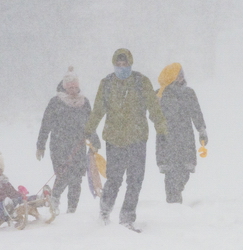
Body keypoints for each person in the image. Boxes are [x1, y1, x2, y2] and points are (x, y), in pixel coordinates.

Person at [84, 48, 167, 231]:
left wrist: (161, 127)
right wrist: (88, 129)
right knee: (114, 180)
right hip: (115, 140)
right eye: (118, 65)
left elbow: (154, 108)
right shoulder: (106, 84)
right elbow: (98, 110)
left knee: (135, 180)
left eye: (125, 64)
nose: (122, 68)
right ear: (114, 65)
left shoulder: (141, 82)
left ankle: (127, 218)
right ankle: (104, 212)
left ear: (130, 64)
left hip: (137, 139)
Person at [36, 67, 101, 213]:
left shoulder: (84, 102)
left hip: (78, 145)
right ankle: (55, 201)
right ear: (64, 86)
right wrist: (41, 145)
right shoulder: (55, 102)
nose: (72, 88)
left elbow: (90, 125)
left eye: (75, 85)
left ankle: (72, 211)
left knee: (77, 178)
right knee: (63, 175)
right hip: (59, 145)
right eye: (69, 85)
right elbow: (45, 125)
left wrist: (95, 141)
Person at [155, 63, 208, 203]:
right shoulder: (159, 94)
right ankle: (173, 202)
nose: (181, 77)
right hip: (166, 139)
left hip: (185, 138)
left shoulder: (188, 93)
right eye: (178, 75)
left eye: (182, 74)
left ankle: (175, 195)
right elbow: (152, 116)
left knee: (185, 171)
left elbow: (196, 112)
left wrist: (202, 131)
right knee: (170, 172)